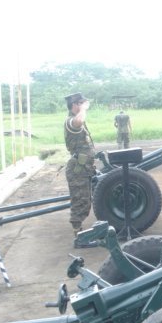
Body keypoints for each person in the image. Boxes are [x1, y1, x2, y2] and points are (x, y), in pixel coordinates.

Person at [64, 92, 97, 246]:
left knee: (85, 200)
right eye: (81, 103)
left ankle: (80, 234)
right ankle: (79, 238)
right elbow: (78, 121)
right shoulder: (71, 121)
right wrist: (83, 109)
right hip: (78, 169)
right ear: (75, 105)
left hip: (84, 167)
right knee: (80, 201)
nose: (85, 106)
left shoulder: (74, 119)